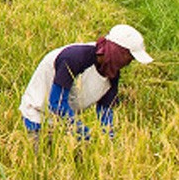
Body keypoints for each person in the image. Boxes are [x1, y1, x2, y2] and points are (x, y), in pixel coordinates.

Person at [19, 24, 153, 139]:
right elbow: (57, 103)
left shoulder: (112, 72)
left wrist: (109, 137)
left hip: (65, 123)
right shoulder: (75, 58)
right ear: (118, 52)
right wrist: (82, 131)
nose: (129, 63)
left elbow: (105, 110)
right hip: (37, 117)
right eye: (130, 58)